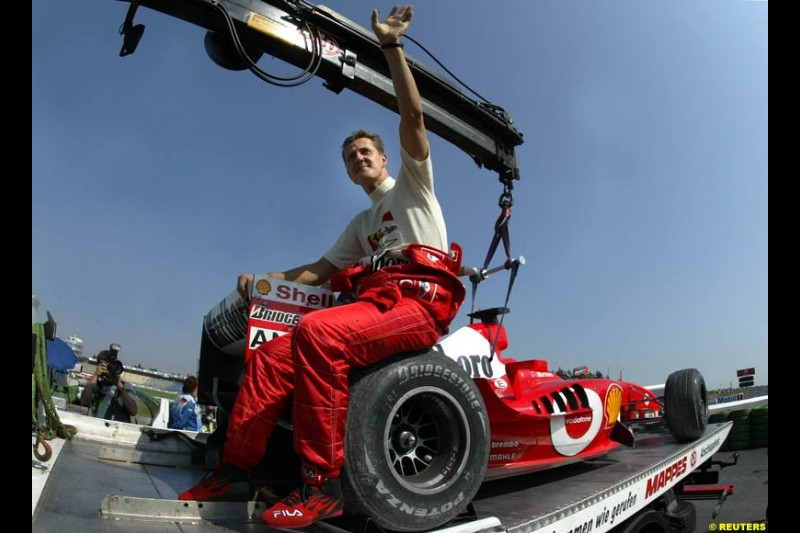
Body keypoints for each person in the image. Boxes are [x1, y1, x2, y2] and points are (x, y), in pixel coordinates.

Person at [179, 6, 466, 529]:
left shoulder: (413, 186)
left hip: (419, 304)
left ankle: (323, 487)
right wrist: (265, 281)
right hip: (375, 305)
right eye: (350, 157)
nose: (358, 159)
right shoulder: (361, 224)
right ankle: (236, 469)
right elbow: (317, 269)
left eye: (366, 152)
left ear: (383, 158)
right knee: (268, 359)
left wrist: (391, 47)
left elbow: (414, 118)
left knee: (319, 333)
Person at [79, 344, 138, 423]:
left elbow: (133, 411)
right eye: (106, 365)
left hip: (116, 431)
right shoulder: (96, 385)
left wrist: (119, 386)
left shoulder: (125, 387)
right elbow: (84, 402)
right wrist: (95, 376)